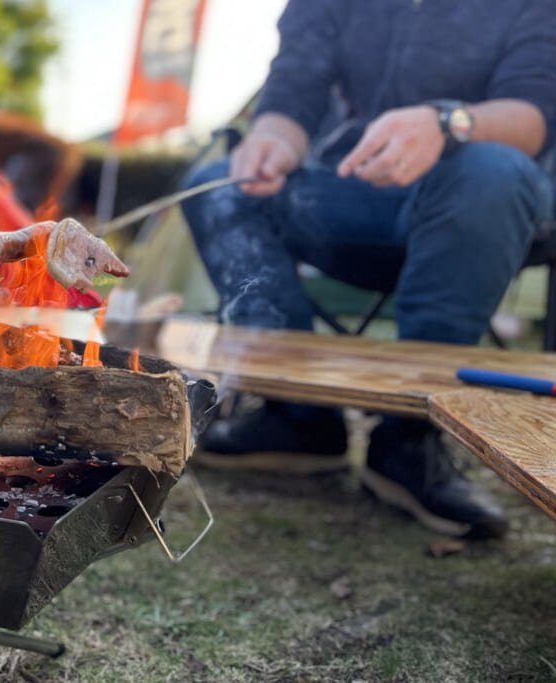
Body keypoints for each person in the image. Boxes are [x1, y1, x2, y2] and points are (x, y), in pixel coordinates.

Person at [181, 0, 556, 539]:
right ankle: (299, 417)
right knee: (219, 187)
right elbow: (293, 89)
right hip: (354, 198)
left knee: (491, 172)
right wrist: (273, 143)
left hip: (481, 205)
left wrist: (449, 123)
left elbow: (536, 115)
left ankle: (411, 436)